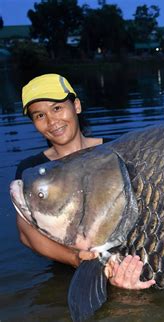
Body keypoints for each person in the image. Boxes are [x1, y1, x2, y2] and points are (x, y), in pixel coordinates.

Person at [15, 73, 154, 290]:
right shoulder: (33, 172)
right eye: (39, 115)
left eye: (57, 108)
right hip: (67, 271)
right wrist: (76, 259)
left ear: (76, 106)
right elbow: (26, 233)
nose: (52, 121)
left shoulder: (116, 151)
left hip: (130, 264)